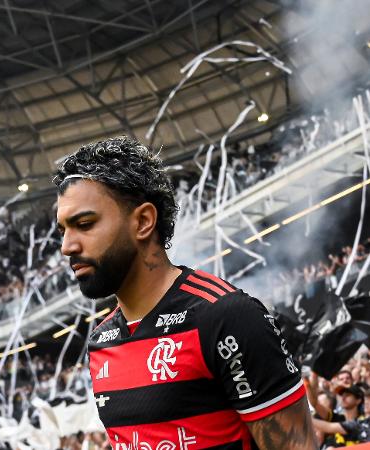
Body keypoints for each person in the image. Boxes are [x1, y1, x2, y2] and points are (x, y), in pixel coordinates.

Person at [53, 136, 317, 450]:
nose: (67, 246)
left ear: (143, 221)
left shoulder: (226, 317)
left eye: (84, 224)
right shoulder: (100, 342)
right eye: (63, 230)